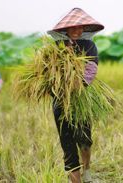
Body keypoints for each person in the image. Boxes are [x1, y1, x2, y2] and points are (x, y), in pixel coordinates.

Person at [47, 8, 104, 183]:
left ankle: (87, 170)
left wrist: (78, 86)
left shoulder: (89, 46)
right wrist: (59, 88)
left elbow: (91, 70)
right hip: (61, 101)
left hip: (82, 98)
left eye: (81, 27)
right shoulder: (56, 48)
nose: (78, 31)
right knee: (68, 145)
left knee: (85, 141)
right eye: (74, 28)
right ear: (65, 29)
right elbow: (48, 73)